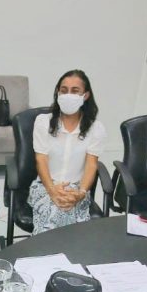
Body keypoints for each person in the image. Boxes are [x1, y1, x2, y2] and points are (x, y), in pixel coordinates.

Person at [28, 69, 106, 234]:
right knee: (57, 212)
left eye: (75, 91)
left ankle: (49, 247)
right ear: (58, 93)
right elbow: (41, 160)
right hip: (46, 185)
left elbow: (91, 165)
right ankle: (54, 248)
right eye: (64, 90)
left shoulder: (96, 128)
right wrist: (52, 190)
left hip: (77, 189)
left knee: (64, 212)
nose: (68, 95)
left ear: (85, 95)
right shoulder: (43, 122)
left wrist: (81, 193)